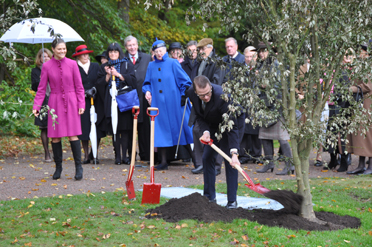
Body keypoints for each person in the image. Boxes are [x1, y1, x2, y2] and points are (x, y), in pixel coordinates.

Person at [186, 75, 243, 209]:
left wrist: (234, 153)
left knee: (230, 161)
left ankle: (232, 201)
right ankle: (209, 198)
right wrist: (205, 132)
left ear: (211, 87)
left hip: (231, 123)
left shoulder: (222, 97)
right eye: (202, 95)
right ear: (195, 92)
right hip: (213, 124)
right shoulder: (190, 93)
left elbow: (232, 127)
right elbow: (199, 115)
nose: (206, 97)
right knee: (207, 157)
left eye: (208, 93)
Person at [32, 38, 85, 181]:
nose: (62, 51)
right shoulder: (46, 66)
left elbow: (79, 87)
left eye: (64, 49)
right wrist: (36, 106)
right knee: (55, 137)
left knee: (73, 135)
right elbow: (41, 89)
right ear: (53, 49)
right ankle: (58, 168)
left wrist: (81, 104)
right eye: (59, 49)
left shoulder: (73, 64)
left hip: (72, 101)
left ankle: (78, 167)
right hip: (54, 103)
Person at [143, 39, 194, 170]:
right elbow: (147, 83)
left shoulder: (173, 63)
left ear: (165, 50)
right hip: (158, 104)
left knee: (183, 130)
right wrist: (147, 91)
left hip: (175, 102)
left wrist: (183, 95)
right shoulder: (151, 66)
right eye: (156, 52)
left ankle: (197, 161)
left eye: (161, 51)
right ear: (153, 52)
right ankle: (163, 162)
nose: (159, 54)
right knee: (160, 132)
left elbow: (185, 81)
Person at [255, 41, 294, 175]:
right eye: (259, 51)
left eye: (263, 50)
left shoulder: (277, 64)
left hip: (277, 105)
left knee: (282, 137)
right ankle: (268, 163)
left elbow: (282, 85)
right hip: (265, 105)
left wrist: (266, 85)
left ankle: (290, 165)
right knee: (264, 136)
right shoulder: (263, 65)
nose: (261, 53)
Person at [189, 38, 226, 175]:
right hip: (199, 101)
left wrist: (204, 93)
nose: (200, 52)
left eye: (202, 49)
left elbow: (217, 82)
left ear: (210, 48)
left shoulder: (217, 62)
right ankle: (200, 163)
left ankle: (216, 165)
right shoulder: (199, 62)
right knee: (197, 130)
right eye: (199, 49)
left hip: (213, 101)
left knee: (216, 133)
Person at [96, 43, 136, 165]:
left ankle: (125, 156)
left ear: (119, 53)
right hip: (110, 100)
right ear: (108, 54)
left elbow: (133, 80)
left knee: (124, 129)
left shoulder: (126, 64)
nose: (113, 54)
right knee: (115, 128)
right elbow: (98, 84)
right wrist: (108, 75)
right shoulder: (103, 67)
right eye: (111, 52)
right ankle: (117, 156)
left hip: (124, 99)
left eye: (115, 52)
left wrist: (118, 75)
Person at [72, 44, 105, 164]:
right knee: (84, 127)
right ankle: (86, 155)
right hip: (81, 100)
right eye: (82, 54)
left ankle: (94, 153)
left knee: (97, 126)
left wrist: (94, 90)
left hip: (96, 99)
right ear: (78, 56)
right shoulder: (74, 67)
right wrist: (83, 93)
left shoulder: (96, 66)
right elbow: (72, 84)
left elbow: (100, 80)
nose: (85, 56)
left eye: (86, 54)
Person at [124, 35, 152, 162]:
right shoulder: (122, 59)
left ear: (138, 45)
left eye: (134, 45)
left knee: (144, 127)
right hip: (128, 98)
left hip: (144, 97)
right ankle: (131, 155)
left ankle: (146, 154)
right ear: (126, 47)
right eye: (129, 45)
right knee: (130, 126)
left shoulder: (147, 58)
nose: (132, 47)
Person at [346, 46, 372, 175]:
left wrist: (351, 89)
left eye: (360, 51)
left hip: (368, 105)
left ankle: (370, 166)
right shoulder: (362, 65)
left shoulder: (369, 66)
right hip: (360, 104)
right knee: (361, 136)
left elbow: (367, 86)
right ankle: (361, 165)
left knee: (368, 135)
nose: (358, 53)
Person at [239, 46, 262, 164]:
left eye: (251, 56)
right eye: (246, 56)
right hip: (243, 102)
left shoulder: (261, 69)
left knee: (256, 130)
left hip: (257, 103)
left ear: (256, 57)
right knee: (244, 129)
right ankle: (243, 155)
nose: (248, 59)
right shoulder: (240, 68)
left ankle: (257, 155)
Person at [31, 48, 53, 162]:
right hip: (42, 101)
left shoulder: (54, 68)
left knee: (54, 126)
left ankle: (56, 151)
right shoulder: (35, 71)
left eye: (47, 56)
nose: (45, 58)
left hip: (53, 100)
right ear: (39, 58)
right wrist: (40, 80)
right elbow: (34, 87)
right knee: (44, 128)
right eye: (43, 56)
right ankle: (47, 153)